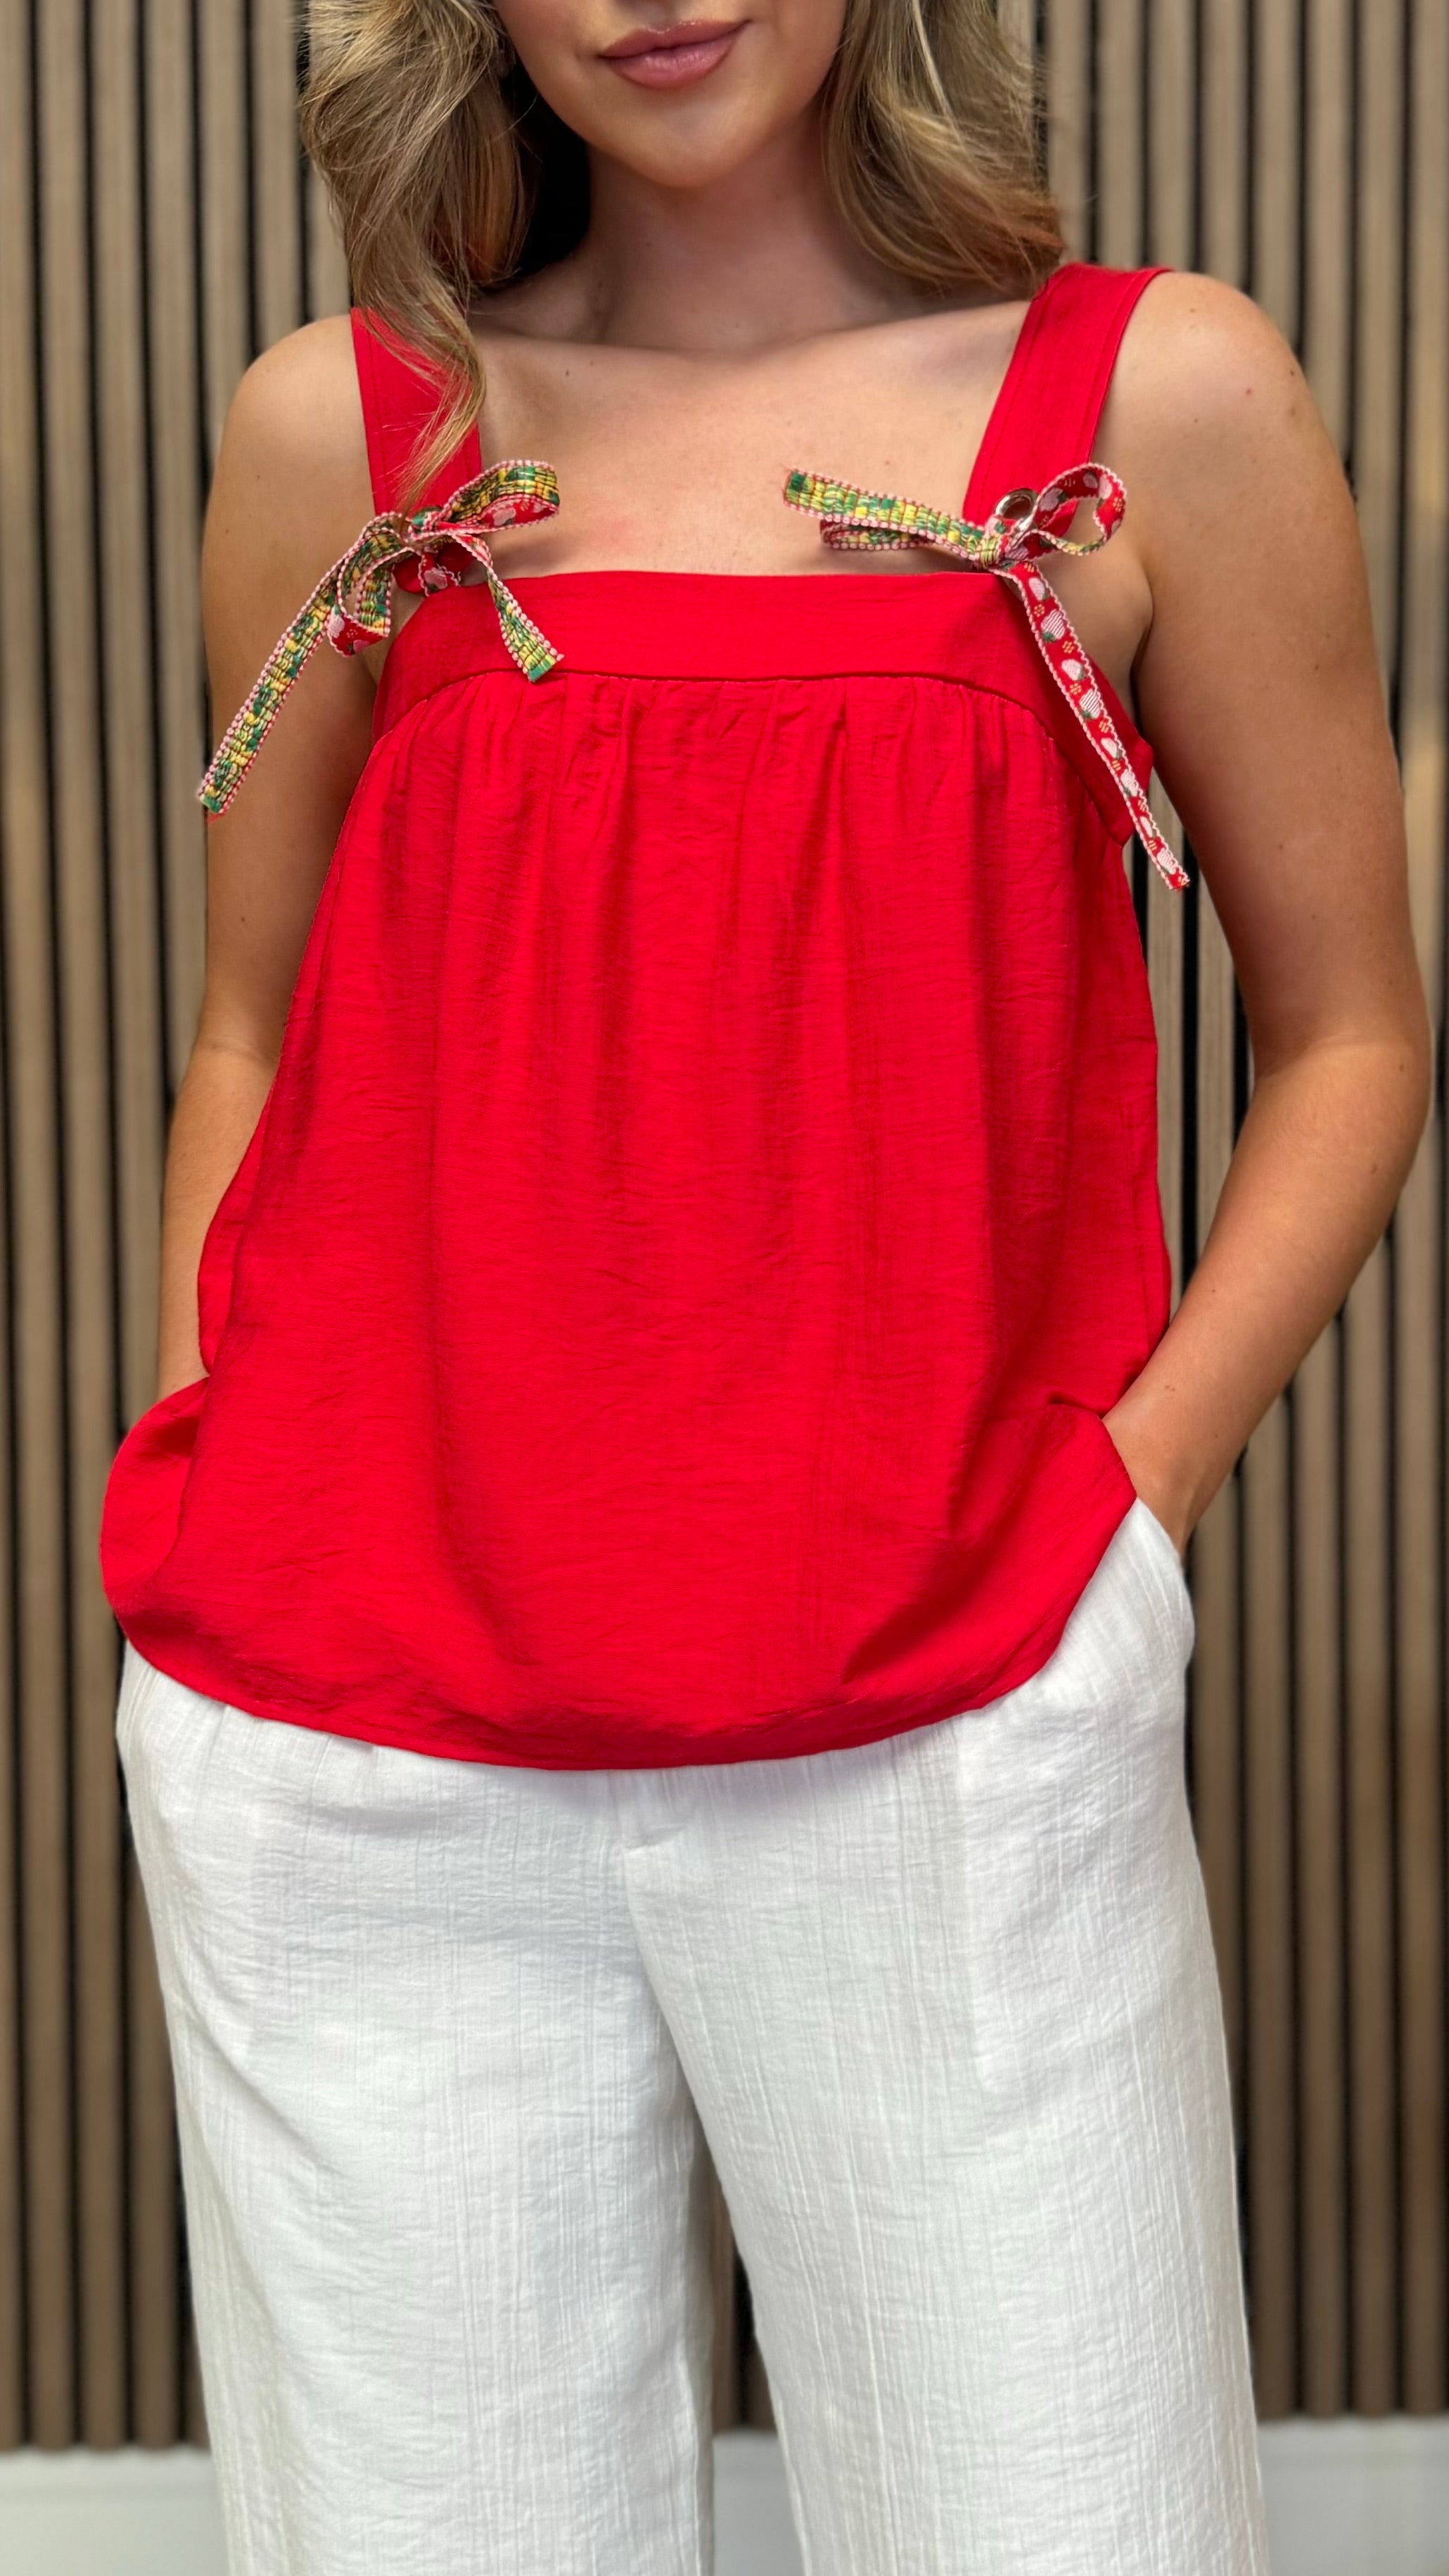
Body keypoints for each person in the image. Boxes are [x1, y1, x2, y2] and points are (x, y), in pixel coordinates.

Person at [98, 1, 1430, 2570]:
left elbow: (1350, 1036)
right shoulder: (345, 431)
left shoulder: (1149, 399)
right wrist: (204, 1475)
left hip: (947, 1701)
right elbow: (250, 1030)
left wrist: (1121, 1521)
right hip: (360, 1745)